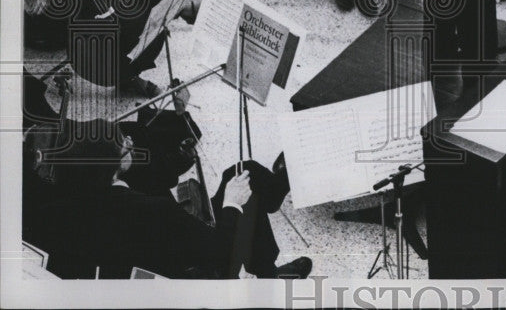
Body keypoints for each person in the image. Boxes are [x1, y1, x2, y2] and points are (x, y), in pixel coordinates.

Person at [28, 118, 310, 279]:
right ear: (110, 167)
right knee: (243, 179)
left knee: (238, 172)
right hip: (192, 270)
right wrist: (232, 203)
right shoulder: (154, 211)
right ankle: (269, 280)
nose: (128, 141)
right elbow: (221, 252)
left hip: (141, 260)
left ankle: (268, 268)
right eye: (122, 145)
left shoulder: (56, 209)